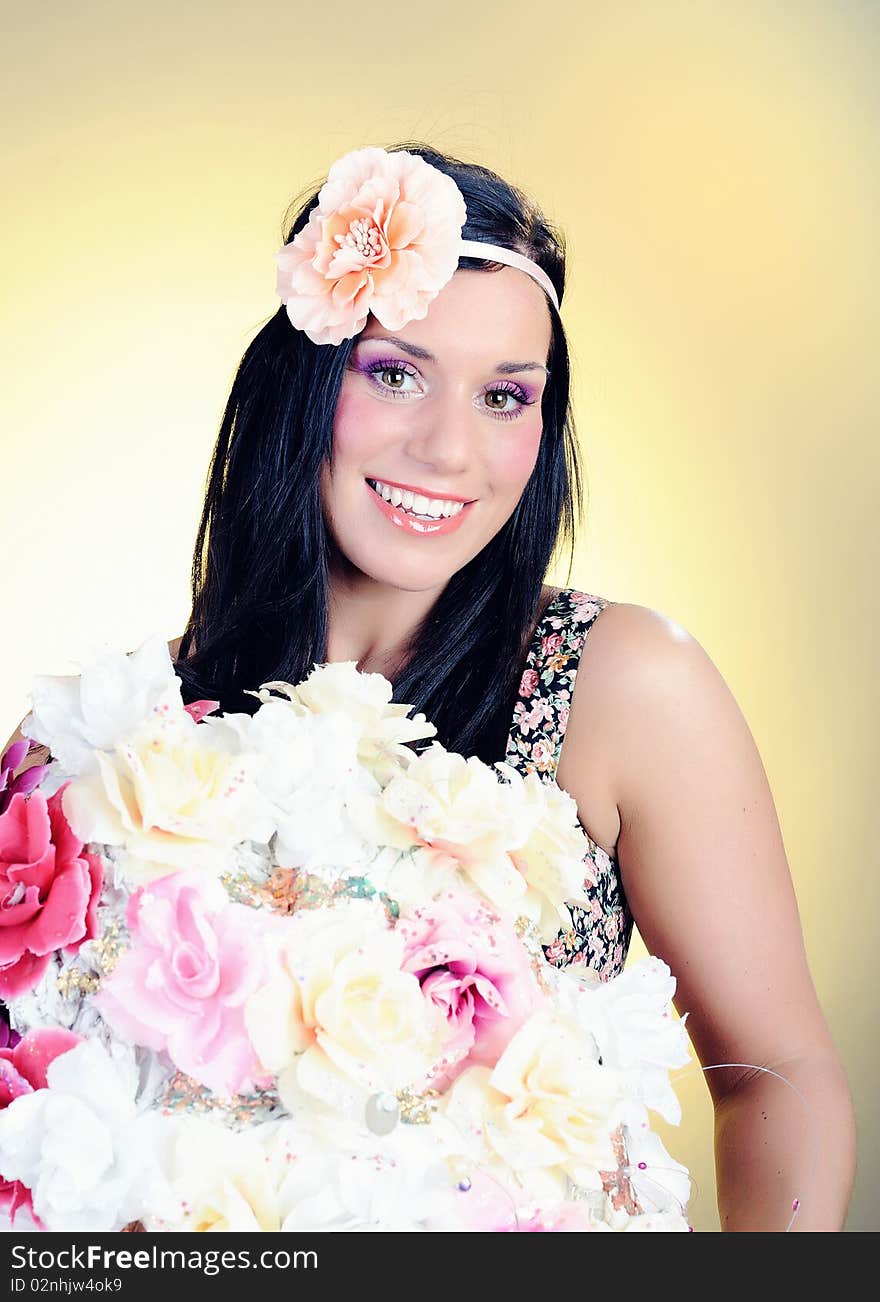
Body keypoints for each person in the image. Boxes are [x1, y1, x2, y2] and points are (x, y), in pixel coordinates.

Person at [1, 141, 856, 1231]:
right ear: (304, 385)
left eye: (506, 395)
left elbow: (777, 1075)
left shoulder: (618, 688)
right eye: (395, 372)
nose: (450, 448)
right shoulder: (103, 742)